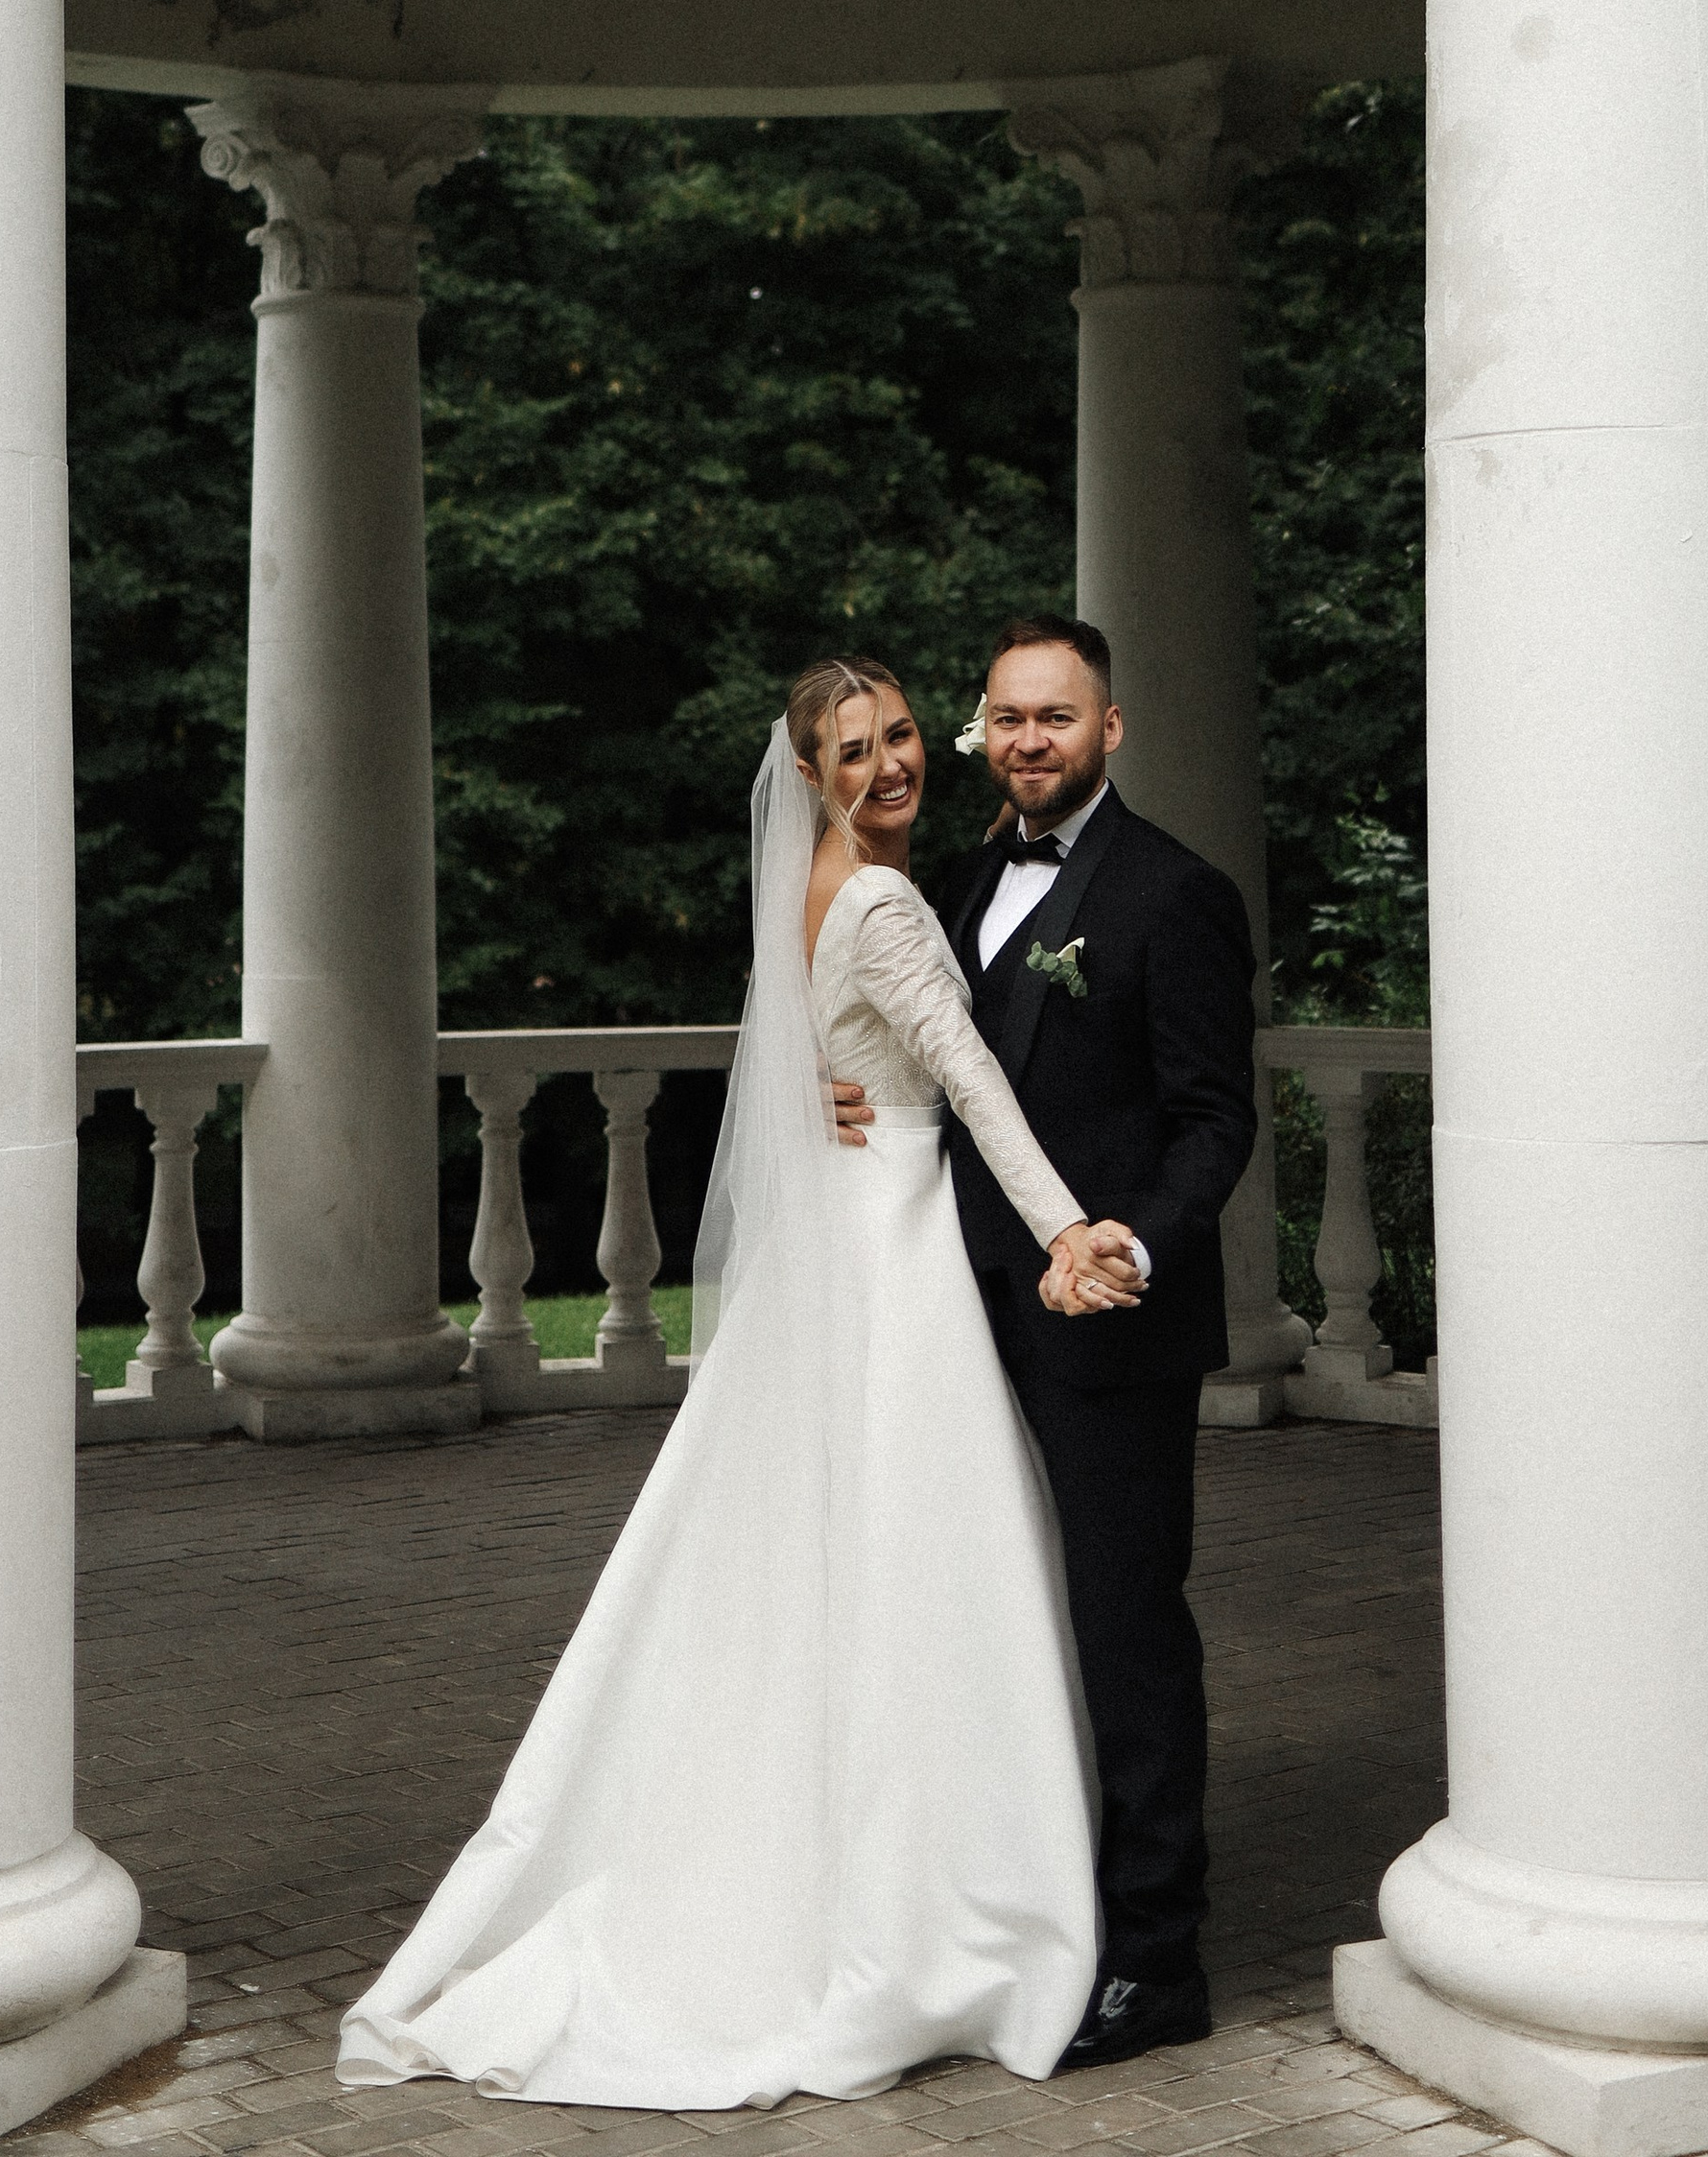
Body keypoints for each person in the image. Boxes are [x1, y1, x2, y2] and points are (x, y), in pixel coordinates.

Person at [336, 654, 1139, 2107]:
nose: (890, 765)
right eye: (855, 750)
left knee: (827, 1561)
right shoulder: (881, 902)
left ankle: (832, 1854)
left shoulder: (820, 883)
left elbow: (840, 1045)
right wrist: (1067, 1228)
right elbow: (970, 1079)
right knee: (916, 1558)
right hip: (889, 1245)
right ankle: (930, 1905)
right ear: (811, 773)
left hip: (841, 1228)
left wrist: (842, 1076)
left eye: (904, 735)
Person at [831, 617, 1257, 2067]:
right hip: (958, 1311)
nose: (1028, 741)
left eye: (1056, 717)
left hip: (1108, 1320)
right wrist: (835, 1092)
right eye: (1007, 717)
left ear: (1108, 728)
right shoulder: (950, 884)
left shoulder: (1177, 894)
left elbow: (1215, 1120)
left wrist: (1135, 1240)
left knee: (1127, 1626)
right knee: (995, 1615)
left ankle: (1157, 1955)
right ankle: (1023, 1905)